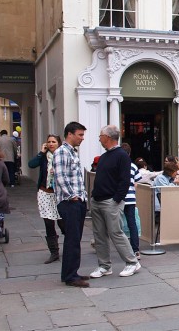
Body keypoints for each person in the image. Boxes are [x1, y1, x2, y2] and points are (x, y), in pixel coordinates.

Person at [89, 125, 141, 279]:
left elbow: (125, 181)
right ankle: (104, 266)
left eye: (101, 135)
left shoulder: (121, 156)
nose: (99, 138)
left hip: (110, 201)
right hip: (98, 200)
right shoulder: (104, 156)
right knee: (99, 235)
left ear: (108, 137)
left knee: (116, 233)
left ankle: (132, 262)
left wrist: (116, 200)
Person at [53, 121, 89, 287]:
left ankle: (72, 272)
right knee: (72, 239)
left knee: (75, 238)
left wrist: (82, 196)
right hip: (69, 202)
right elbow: (60, 177)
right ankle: (70, 276)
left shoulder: (72, 152)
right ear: (70, 134)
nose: (82, 138)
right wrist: (72, 196)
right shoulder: (62, 152)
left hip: (77, 201)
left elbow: (76, 178)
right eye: (80, 134)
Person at [28, 134, 65, 263]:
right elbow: (31, 164)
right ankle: (54, 252)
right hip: (45, 193)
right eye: (48, 142)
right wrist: (40, 152)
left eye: (53, 142)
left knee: (63, 223)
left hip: (59, 194)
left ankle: (70, 249)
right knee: (49, 223)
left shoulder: (62, 155)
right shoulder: (43, 157)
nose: (50, 144)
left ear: (58, 143)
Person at [123, 155, 142, 259]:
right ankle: (135, 249)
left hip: (118, 198)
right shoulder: (133, 166)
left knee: (114, 224)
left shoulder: (117, 165)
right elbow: (137, 181)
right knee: (132, 223)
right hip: (130, 197)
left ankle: (123, 249)